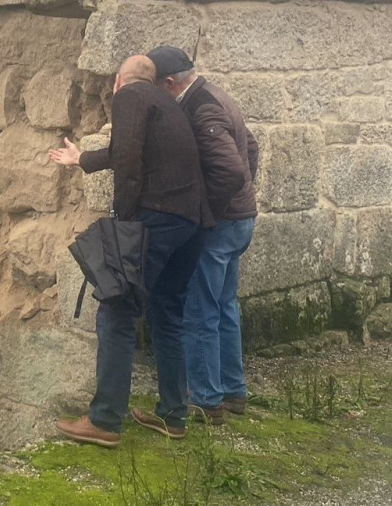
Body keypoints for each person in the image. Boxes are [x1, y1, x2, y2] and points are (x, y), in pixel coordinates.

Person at [48, 55, 205, 447]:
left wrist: (125, 224)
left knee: (116, 311)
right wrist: (81, 158)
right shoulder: (168, 103)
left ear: (119, 81)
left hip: (157, 218)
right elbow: (124, 152)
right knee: (166, 312)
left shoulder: (130, 96)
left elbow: (129, 160)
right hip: (192, 223)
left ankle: (104, 420)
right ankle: (173, 415)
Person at [147, 46, 259, 424]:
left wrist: (207, 213)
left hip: (220, 225)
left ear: (168, 83)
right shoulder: (217, 95)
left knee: (200, 312)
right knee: (225, 306)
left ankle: (207, 401)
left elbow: (231, 170)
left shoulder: (201, 107)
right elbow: (251, 149)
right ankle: (233, 390)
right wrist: (240, 201)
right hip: (239, 220)